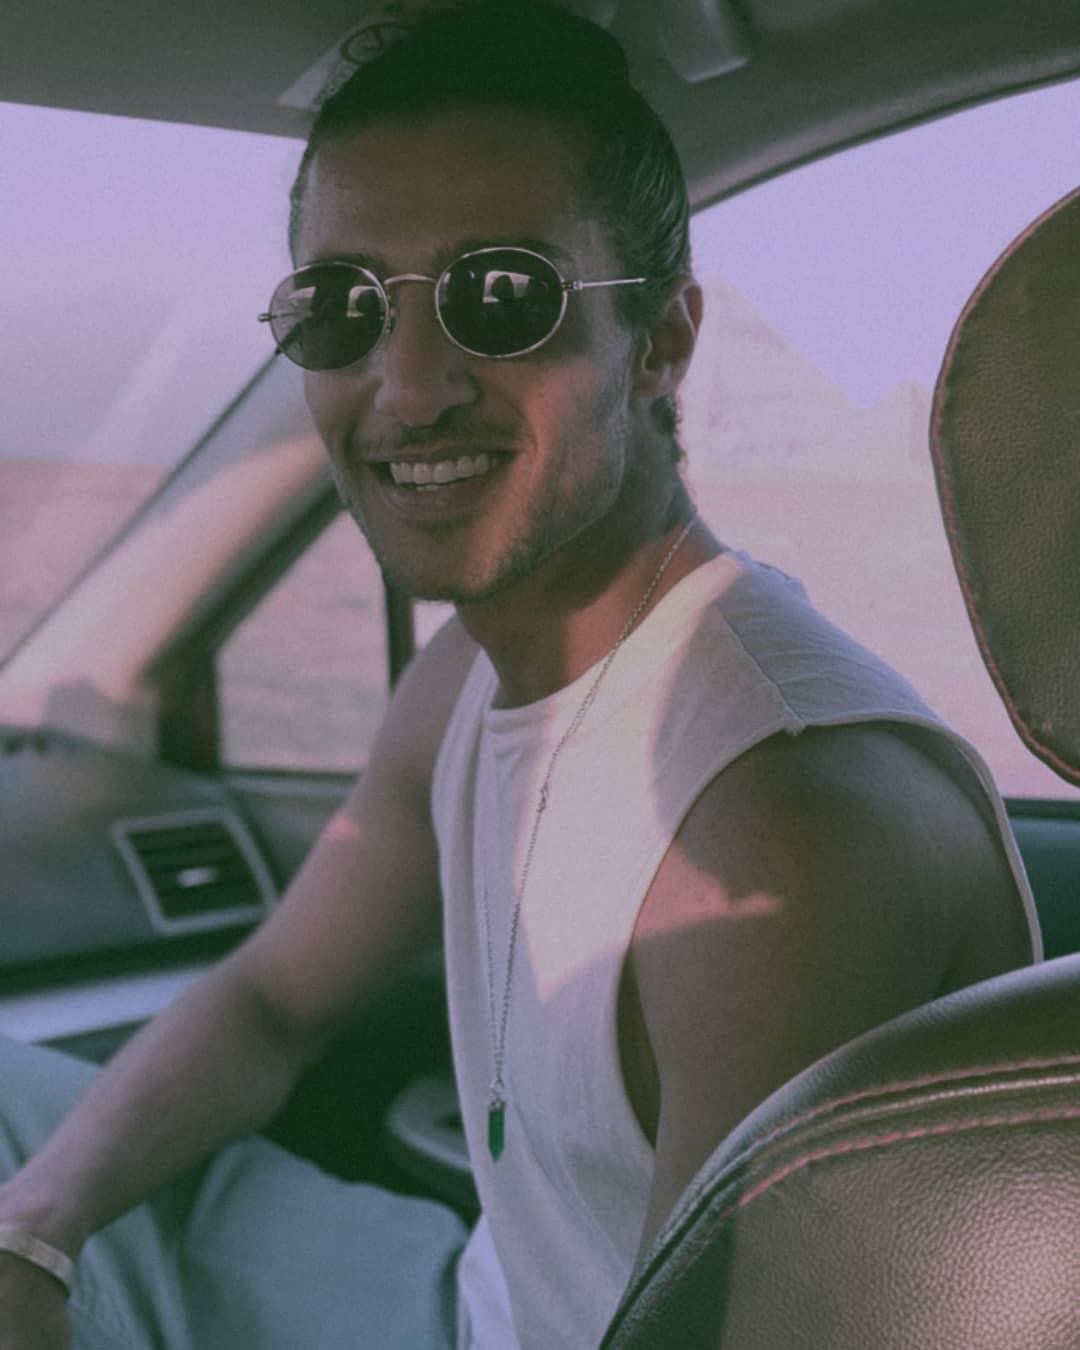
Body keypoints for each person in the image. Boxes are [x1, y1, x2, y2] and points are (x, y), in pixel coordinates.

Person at [0, 5, 1041, 1348]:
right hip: (451, 1296)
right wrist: (38, 1228)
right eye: (343, 308)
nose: (408, 387)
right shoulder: (464, 685)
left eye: (501, 296)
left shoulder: (782, 838)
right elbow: (267, 1001)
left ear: (661, 341)